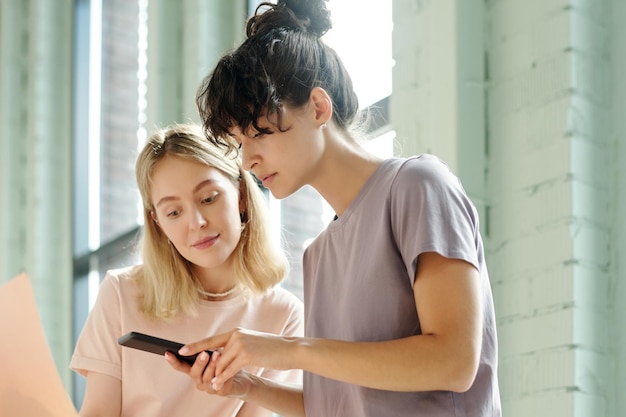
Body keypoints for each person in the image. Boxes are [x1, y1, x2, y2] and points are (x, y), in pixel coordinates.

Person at [167, 1, 502, 416]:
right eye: (240, 144)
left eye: (260, 134)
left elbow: (454, 362)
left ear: (318, 108)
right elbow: (335, 404)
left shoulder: (417, 188)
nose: (247, 160)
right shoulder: (319, 254)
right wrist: (246, 385)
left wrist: (292, 350)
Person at [70, 123, 304, 417]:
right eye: (174, 212)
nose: (196, 223)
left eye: (208, 198)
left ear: (241, 195)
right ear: (159, 223)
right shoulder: (122, 293)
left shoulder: (283, 316)